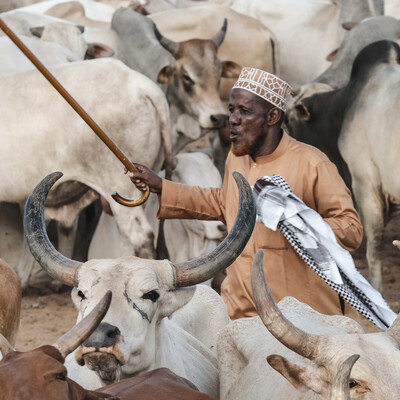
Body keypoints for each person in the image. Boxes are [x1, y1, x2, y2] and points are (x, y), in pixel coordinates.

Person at [127, 67, 363, 321]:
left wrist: (298, 223)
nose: (233, 119)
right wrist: (161, 186)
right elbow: (224, 202)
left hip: (300, 318)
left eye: (244, 111)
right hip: (239, 312)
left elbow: (352, 230)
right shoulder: (236, 159)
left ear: (272, 117)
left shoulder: (313, 164)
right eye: (232, 110)